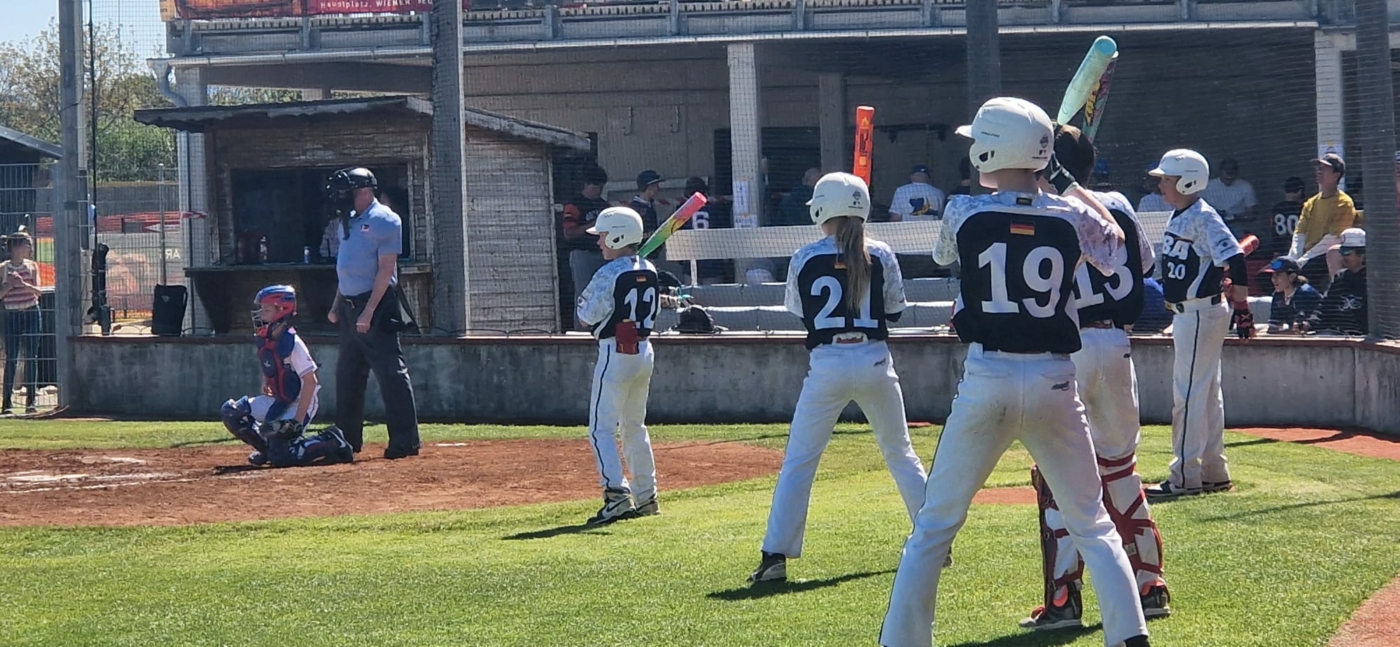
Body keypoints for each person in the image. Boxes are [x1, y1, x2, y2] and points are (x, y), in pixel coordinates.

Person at [879, 97, 1150, 647]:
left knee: (934, 525)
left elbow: (945, 255)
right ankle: (1129, 637)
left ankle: (902, 641)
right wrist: (1063, 183)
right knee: (1092, 522)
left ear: (990, 150)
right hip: (1055, 380)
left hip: (988, 379)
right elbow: (1116, 247)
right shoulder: (1071, 214)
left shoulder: (962, 210)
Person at [1018, 125, 1172, 632]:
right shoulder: (1119, 204)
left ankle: (1064, 598)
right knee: (1121, 468)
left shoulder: (1044, 208)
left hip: (1068, 351)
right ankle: (1149, 583)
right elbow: (1143, 264)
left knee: (1056, 478)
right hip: (1117, 345)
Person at [747, 171, 929, 584]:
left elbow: (799, 312)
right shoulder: (881, 253)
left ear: (821, 208)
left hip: (827, 363)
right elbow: (895, 311)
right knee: (900, 453)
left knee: (799, 462)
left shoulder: (805, 256)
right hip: (874, 359)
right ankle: (934, 542)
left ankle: (775, 556)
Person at [1146, 149, 1252, 501]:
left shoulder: (1204, 216)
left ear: (1189, 181)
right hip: (1191, 313)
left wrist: (1242, 307)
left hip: (1199, 314)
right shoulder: (1182, 214)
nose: (1161, 184)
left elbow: (1236, 259)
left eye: (1167, 179)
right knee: (1205, 395)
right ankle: (1213, 471)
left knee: (1188, 395)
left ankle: (1184, 475)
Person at [324, 167, 422, 460]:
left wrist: (368, 312)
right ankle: (347, 440)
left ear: (366, 191)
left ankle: (405, 441)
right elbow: (345, 269)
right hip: (349, 306)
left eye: (348, 192)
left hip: (375, 305)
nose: (343, 198)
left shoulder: (385, 219)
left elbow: (385, 271)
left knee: (391, 373)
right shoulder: (347, 222)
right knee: (347, 374)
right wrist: (336, 306)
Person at [576, 206, 663, 525]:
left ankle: (616, 495)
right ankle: (646, 495)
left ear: (617, 236)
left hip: (615, 352)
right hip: (644, 352)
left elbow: (585, 316)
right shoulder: (650, 269)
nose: (599, 242)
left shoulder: (609, 273)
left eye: (602, 236)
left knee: (601, 429)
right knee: (634, 426)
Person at [221, 285, 354, 468]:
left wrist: (297, 420)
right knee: (231, 412)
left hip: (300, 403)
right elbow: (272, 364)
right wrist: (265, 381)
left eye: (267, 310)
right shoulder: (268, 339)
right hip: (278, 399)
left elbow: (310, 382)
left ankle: (330, 440)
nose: (261, 315)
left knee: (283, 457)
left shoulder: (293, 344)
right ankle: (267, 450)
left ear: (281, 311)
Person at [1289, 154, 1355, 289]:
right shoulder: (1310, 203)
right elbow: (1299, 233)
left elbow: (1333, 239)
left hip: (1324, 255)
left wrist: (1302, 261)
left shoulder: (1344, 203)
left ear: (1336, 175)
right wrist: (1293, 259)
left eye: (1324, 168)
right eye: (1318, 168)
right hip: (1306, 255)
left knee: (1302, 276)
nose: (1319, 171)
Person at [0, 230, 42, 414]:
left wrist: (23, 284)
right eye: (27, 245)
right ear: (16, 247)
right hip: (11, 315)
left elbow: (38, 292)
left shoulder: (32, 266)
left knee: (31, 357)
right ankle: (7, 404)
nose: (30, 249)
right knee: (12, 358)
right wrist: (9, 285)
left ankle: (31, 402)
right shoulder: (3, 268)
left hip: (31, 313)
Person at [1299, 227, 1367, 336]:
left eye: (1346, 252)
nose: (1342, 256)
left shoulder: (1374, 281)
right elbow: (1326, 308)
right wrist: (1308, 324)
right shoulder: (1340, 277)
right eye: (1341, 251)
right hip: (1336, 335)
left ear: (1361, 253)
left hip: (1364, 338)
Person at [562, 166, 613, 305]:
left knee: (604, 292)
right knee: (584, 294)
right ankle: (581, 320)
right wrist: (591, 226)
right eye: (595, 187)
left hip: (603, 254)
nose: (599, 191)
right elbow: (568, 234)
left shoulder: (604, 206)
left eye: (601, 187)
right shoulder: (574, 205)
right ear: (586, 184)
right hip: (582, 255)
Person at [1261, 257, 1322, 333]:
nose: (1273, 279)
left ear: (1292, 277)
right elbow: (1275, 324)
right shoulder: (1278, 295)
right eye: (1273, 275)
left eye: (1278, 275)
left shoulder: (1306, 293)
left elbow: (1304, 326)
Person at [1200, 158, 1258, 223]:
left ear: (1237, 172)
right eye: (1226, 169)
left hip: (1238, 224)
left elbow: (1251, 214)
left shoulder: (1246, 187)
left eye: (1232, 169)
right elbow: (1197, 207)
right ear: (1220, 171)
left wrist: (1234, 217)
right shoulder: (1207, 186)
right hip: (1211, 222)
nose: (1229, 172)